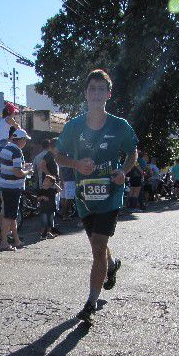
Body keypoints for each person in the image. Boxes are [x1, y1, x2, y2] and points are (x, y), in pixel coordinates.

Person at [55, 69, 138, 325]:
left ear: (108, 94)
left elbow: (132, 152)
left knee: (98, 246)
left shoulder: (119, 125)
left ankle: (90, 304)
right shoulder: (73, 126)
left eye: (101, 89)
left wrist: (123, 172)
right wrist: (77, 164)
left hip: (110, 195)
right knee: (97, 247)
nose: (96, 94)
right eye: (92, 89)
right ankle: (111, 266)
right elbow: (59, 156)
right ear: (86, 93)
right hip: (84, 197)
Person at [0, 128, 33, 250]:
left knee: (11, 215)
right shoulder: (17, 151)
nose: (26, 143)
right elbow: (17, 173)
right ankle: (4, 243)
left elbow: (7, 167)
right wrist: (28, 171)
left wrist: (23, 166)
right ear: (21, 140)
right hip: (13, 187)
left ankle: (16, 240)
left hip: (5, 185)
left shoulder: (5, 149)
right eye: (25, 140)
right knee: (9, 216)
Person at [37, 174, 62, 238]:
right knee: (44, 222)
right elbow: (37, 198)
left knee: (50, 222)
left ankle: (49, 233)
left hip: (51, 208)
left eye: (47, 180)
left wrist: (55, 184)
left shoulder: (52, 190)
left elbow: (60, 190)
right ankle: (43, 234)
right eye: (45, 180)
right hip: (43, 209)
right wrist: (42, 197)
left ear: (51, 183)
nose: (45, 181)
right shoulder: (41, 190)